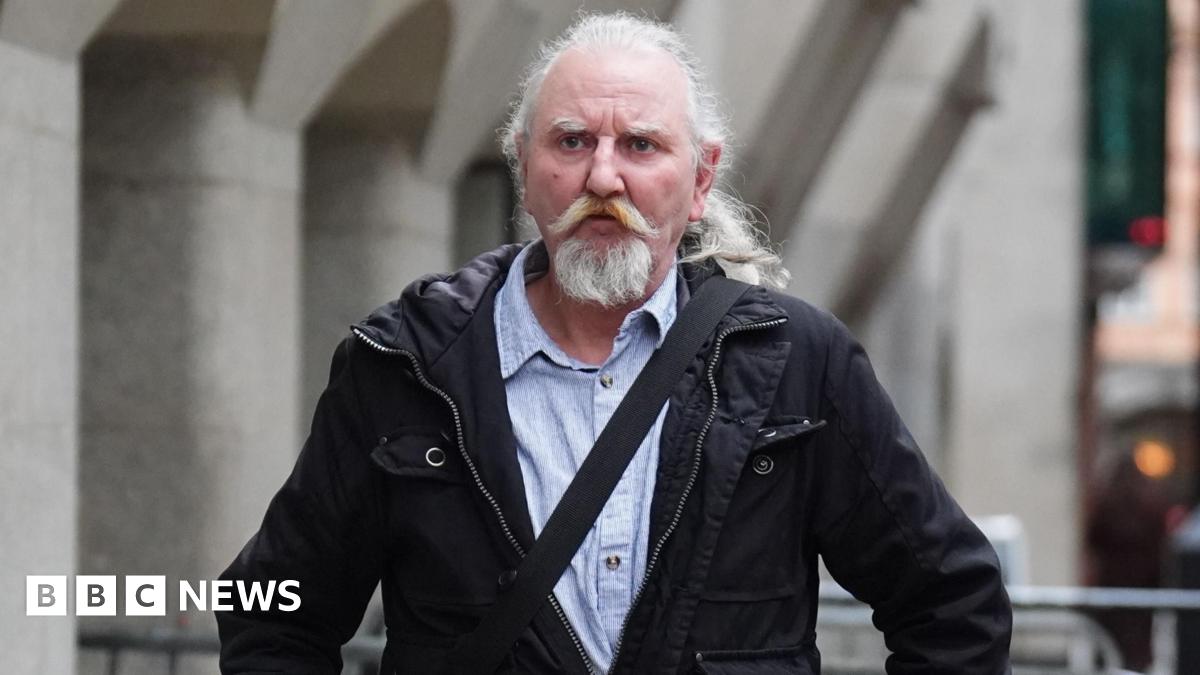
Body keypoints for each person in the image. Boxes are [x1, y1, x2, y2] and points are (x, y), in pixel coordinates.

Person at [218, 12, 1012, 674]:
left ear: (699, 180)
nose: (604, 177)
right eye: (570, 142)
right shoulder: (405, 367)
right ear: (523, 169)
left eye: (640, 145)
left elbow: (953, 604)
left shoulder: (797, 363)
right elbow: (271, 614)